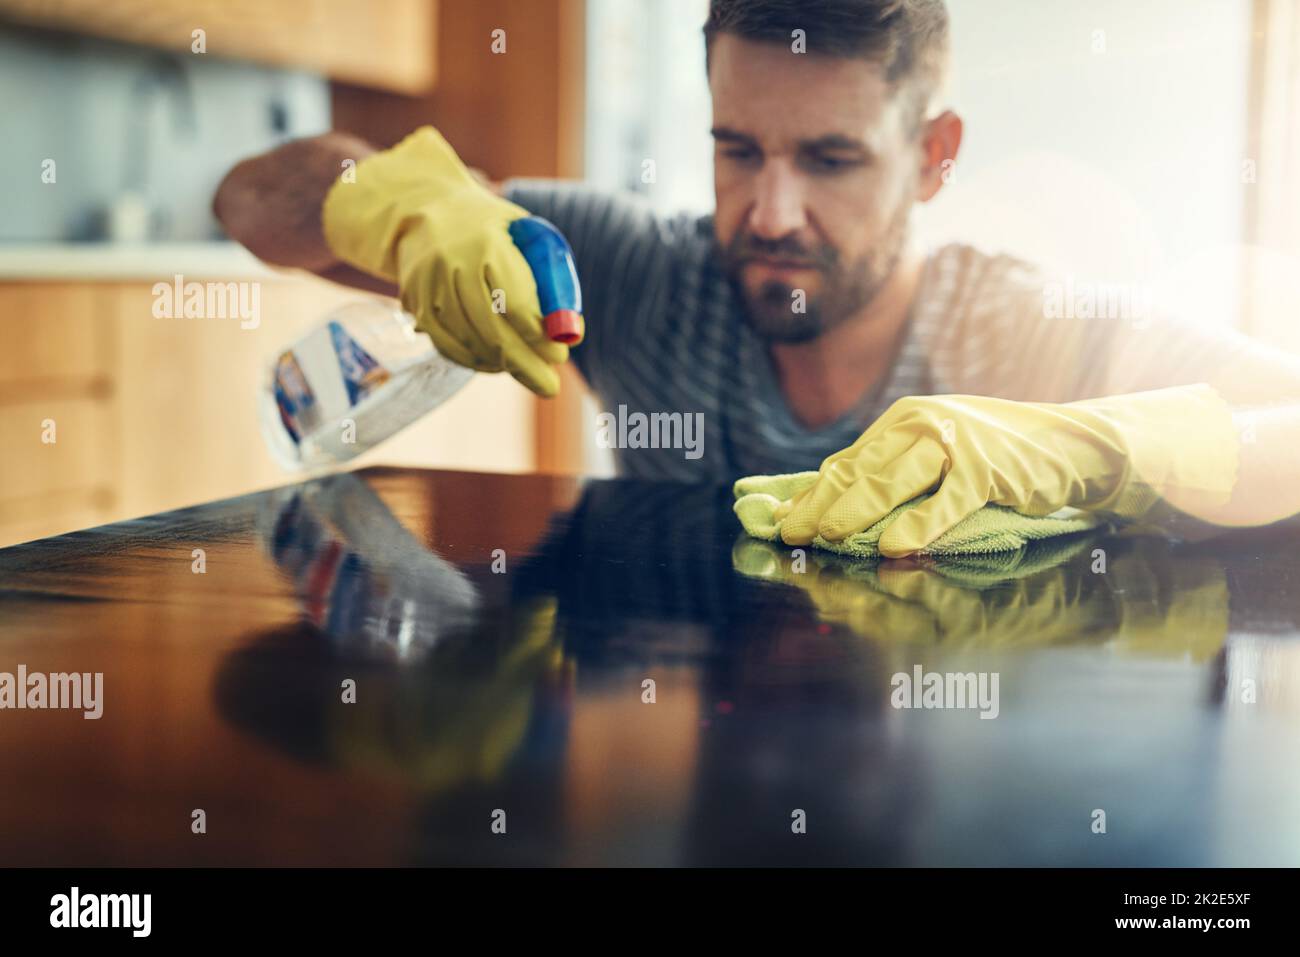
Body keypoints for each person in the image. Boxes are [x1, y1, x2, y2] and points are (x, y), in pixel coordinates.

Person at [214, 0, 1300, 557]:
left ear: (932, 155)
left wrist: (1092, 448)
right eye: (738, 151)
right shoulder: (630, 270)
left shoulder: (1031, 329)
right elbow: (250, 203)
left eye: (829, 160)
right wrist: (411, 209)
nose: (770, 215)